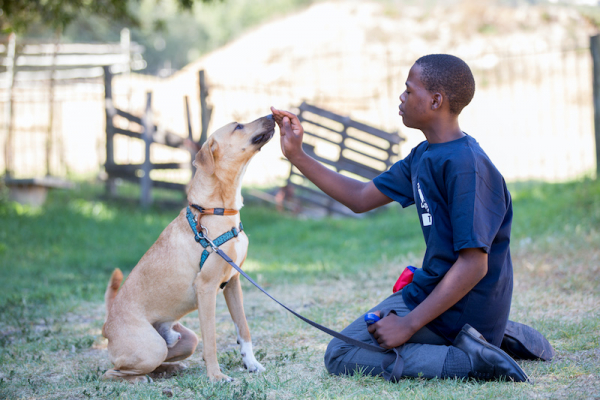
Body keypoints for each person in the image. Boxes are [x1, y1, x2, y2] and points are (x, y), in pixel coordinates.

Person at [270, 54, 545, 382]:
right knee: (362, 337)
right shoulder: (424, 154)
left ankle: (471, 359)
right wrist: (297, 154)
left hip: (461, 309)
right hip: (431, 293)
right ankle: (485, 341)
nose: (401, 98)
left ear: (435, 100)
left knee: (341, 353)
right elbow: (360, 198)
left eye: (408, 90)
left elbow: (474, 264)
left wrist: (409, 323)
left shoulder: (466, 165)